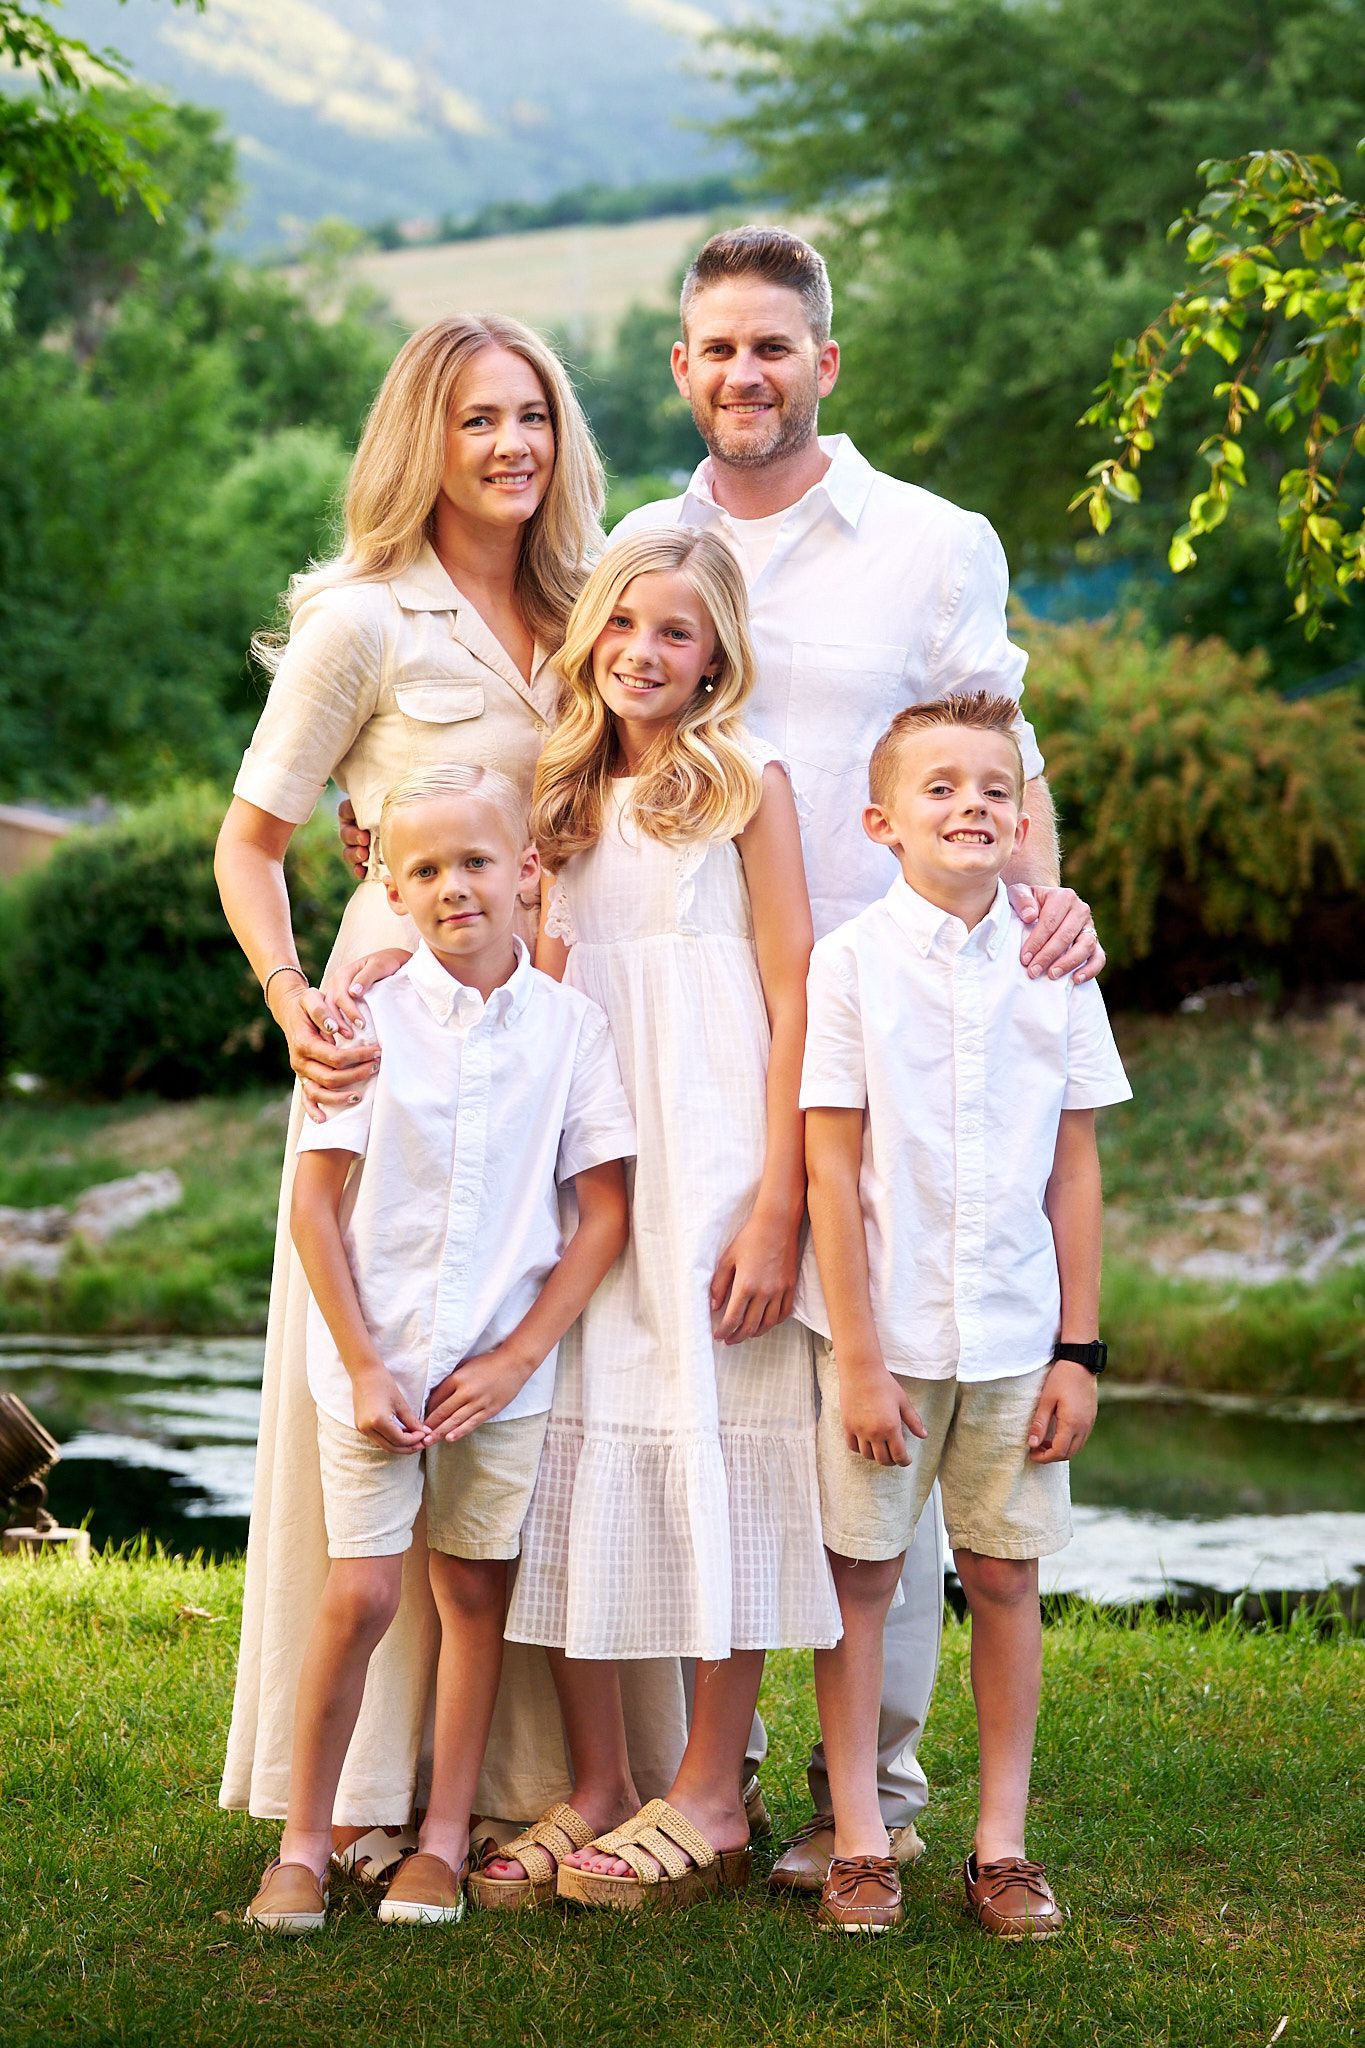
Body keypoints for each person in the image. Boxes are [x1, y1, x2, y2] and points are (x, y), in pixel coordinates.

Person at [337, 228, 1106, 1873]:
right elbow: (532, 872)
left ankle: (868, 1794)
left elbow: (1005, 756)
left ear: (825, 360)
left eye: (775, 345)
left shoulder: (931, 543)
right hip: (648, 1077)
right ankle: (689, 1776)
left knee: (841, 1399)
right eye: (715, 349)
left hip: (856, 1034)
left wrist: (1048, 913)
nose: (745, 373)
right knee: (656, 1403)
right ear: (681, 368)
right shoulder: (641, 542)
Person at [217, 312, 683, 1880]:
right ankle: (354, 1798)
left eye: (534, 416)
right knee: (389, 1373)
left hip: (556, 1019)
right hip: (390, 1024)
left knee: (536, 1386)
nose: (511, 447)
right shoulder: (363, 619)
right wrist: (298, 1011)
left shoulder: (584, 602)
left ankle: (534, 1784)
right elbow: (252, 843)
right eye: (479, 419)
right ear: (425, 436)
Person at [492, 523, 840, 1910]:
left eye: (677, 634)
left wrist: (778, 1206)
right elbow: (536, 984)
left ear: (715, 663)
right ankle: (597, 1785)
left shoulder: (745, 784)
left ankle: (711, 1791)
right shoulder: (557, 797)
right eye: (624, 625)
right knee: (581, 1450)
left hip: (714, 1173)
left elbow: (794, 986)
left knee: (720, 1446)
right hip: (595, 1168)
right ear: (592, 641)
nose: (644, 651)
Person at [245, 765, 634, 1932]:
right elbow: (318, 1207)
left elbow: (602, 1213)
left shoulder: (572, 1027)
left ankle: (445, 1840)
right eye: (425, 869)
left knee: (474, 1591)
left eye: (476, 861)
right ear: (388, 886)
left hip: (495, 1375)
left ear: (526, 872)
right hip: (372, 1358)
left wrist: (518, 1358)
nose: (454, 886)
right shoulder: (365, 1017)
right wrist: (364, 1360)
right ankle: (303, 1846)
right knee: (362, 1592)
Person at [800, 693, 1131, 1935]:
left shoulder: (1056, 969)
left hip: (1012, 1337)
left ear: (1024, 816)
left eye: (994, 786)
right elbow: (833, 1167)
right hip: (880, 1341)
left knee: (1002, 1571)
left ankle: (1000, 1844)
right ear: (884, 821)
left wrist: (1077, 1350)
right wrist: (859, 1359)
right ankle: (858, 1839)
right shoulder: (849, 964)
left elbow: (1077, 1169)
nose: (971, 805)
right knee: (864, 1576)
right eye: (939, 787)